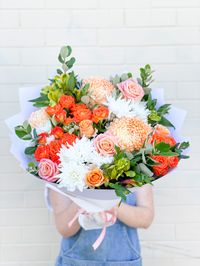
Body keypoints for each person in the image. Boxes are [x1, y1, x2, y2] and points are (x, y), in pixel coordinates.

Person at [46, 184, 154, 266]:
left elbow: (145, 220)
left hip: (125, 261)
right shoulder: (60, 169)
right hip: (76, 261)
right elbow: (64, 228)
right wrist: (87, 197)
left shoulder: (138, 167)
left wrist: (108, 201)